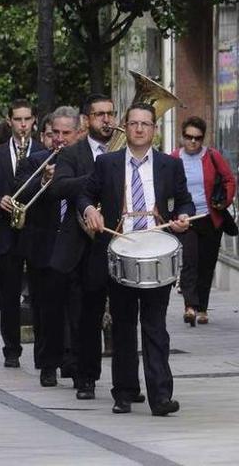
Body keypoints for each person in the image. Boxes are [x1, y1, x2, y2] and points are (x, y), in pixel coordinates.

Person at [79, 102, 192, 416]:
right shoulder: (107, 163)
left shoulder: (170, 165)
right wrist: (89, 210)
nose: (140, 129)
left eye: (146, 124)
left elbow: (184, 201)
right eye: (134, 123)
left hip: (156, 250)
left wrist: (183, 216)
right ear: (124, 128)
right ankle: (125, 392)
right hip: (121, 250)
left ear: (154, 129)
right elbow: (85, 195)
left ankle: (161, 396)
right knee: (124, 324)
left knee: (155, 325)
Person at [49, 94, 117, 400]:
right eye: (100, 114)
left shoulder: (125, 151)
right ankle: (86, 377)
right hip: (81, 245)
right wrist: (97, 177)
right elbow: (60, 186)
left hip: (115, 240)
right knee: (85, 315)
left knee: (123, 315)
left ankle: (125, 381)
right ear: (86, 120)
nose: (107, 120)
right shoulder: (72, 153)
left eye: (111, 114)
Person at [14, 106, 80, 387]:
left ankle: (75, 363)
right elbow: (19, 195)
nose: (60, 139)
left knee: (77, 309)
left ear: (78, 133)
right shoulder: (34, 161)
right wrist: (42, 180)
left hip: (76, 244)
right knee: (46, 310)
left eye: (67, 133)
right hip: (45, 245)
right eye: (56, 133)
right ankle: (47, 364)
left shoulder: (85, 162)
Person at [0, 99, 44, 368]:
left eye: (27, 119)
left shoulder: (43, 152)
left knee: (40, 294)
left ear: (34, 121)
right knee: (9, 293)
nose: (23, 124)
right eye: (18, 119)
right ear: (9, 121)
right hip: (7, 232)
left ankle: (43, 351)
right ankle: (11, 350)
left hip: (36, 232)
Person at [171, 116, 235, 325]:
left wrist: (223, 201)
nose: (192, 142)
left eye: (197, 138)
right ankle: (189, 306)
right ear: (182, 136)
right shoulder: (173, 159)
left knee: (206, 264)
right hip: (186, 217)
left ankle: (202, 308)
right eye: (188, 137)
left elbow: (229, 180)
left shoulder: (213, 157)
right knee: (190, 261)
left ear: (203, 138)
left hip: (210, 218)